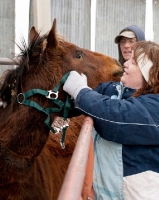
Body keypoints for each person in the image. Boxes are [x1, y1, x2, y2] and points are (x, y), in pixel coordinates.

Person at [63, 41, 159, 200]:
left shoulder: (154, 107)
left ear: (147, 73)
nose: (125, 64)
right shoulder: (117, 92)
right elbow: (94, 99)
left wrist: (80, 91)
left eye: (133, 62)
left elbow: (115, 116)